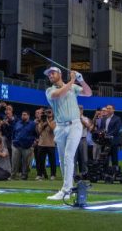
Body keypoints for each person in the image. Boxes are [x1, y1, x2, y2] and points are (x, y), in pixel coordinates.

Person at [44, 66, 92, 201]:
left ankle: (66, 190)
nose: (50, 75)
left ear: (59, 74)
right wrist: (72, 80)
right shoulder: (50, 90)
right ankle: (69, 188)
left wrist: (81, 80)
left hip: (75, 125)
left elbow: (88, 93)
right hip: (60, 127)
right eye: (49, 75)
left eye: (52, 73)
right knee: (63, 159)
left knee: (68, 156)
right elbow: (59, 94)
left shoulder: (73, 87)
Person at [11, 110, 36, 180]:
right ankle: (13, 176)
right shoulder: (18, 123)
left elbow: (36, 134)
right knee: (14, 161)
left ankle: (24, 176)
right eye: (22, 115)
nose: (23, 116)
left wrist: (31, 140)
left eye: (25, 115)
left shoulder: (33, 124)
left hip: (27, 146)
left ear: (28, 116)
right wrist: (13, 140)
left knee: (26, 162)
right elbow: (13, 132)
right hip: (16, 145)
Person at [35, 108, 57, 180]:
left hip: (51, 144)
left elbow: (53, 129)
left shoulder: (54, 122)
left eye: (49, 112)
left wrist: (48, 120)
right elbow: (39, 131)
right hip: (41, 144)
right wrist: (44, 121)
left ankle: (53, 175)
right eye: (47, 113)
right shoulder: (41, 122)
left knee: (52, 161)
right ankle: (40, 174)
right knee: (40, 161)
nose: (48, 114)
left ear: (52, 114)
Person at [76, 105, 93, 178]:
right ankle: (74, 174)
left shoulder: (85, 118)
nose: (79, 111)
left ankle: (85, 174)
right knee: (74, 157)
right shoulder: (73, 119)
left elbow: (88, 126)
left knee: (84, 157)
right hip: (74, 139)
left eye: (80, 110)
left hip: (83, 139)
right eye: (78, 109)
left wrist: (80, 119)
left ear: (82, 111)